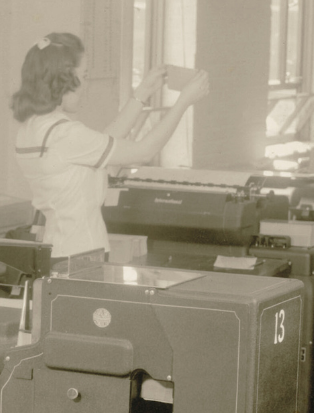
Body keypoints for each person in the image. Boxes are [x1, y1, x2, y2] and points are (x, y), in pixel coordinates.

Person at [11, 33, 209, 263]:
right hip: (82, 253)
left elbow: (105, 142)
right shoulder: (64, 132)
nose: (86, 84)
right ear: (64, 79)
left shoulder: (34, 128)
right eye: (83, 75)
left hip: (55, 250)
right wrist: (183, 102)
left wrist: (142, 93)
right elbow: (144, 151)